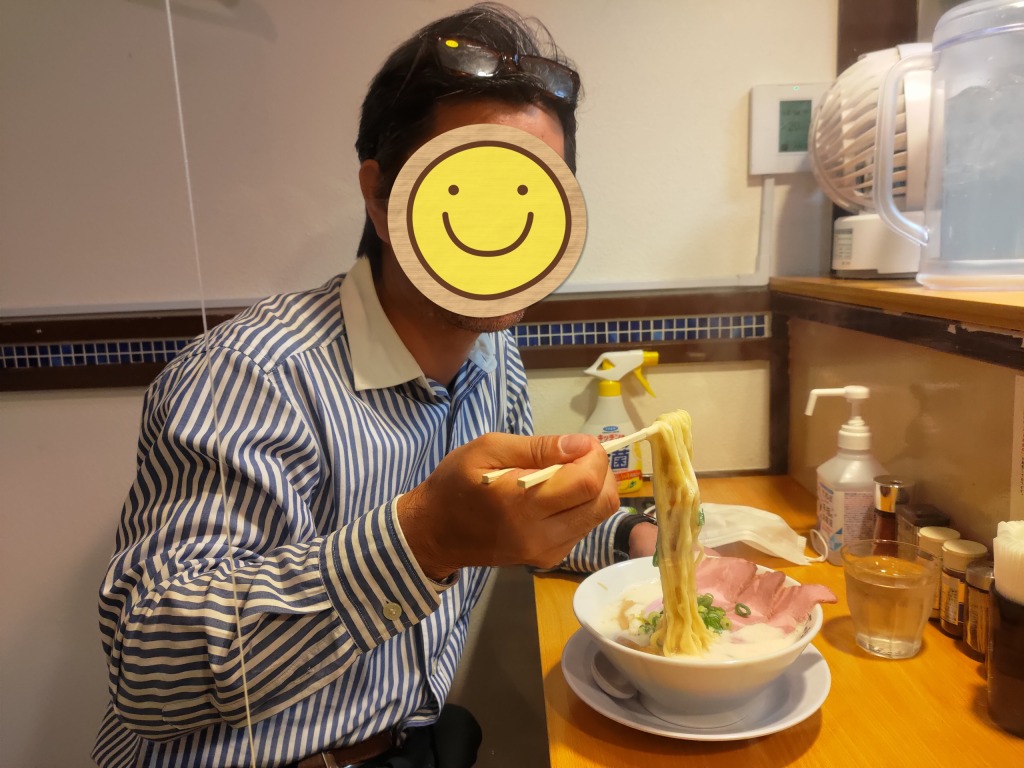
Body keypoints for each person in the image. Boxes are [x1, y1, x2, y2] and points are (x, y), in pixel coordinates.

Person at [92, 4, 657, 767]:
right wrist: (423, 539)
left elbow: (511, 517)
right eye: (471, 189)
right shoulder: (252, 374)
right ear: (382, 197)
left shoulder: (495, 358)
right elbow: (149, 672)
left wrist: (638, 538)